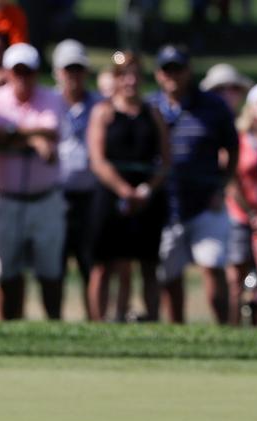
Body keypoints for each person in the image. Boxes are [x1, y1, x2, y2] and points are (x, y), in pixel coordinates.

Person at [0, 43, 67, 320]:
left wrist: (13, 134)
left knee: (50, 273)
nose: (23, 78)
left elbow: (51, 133)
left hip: (45, 198)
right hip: (5, 198)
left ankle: (54, 328)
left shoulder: (52, 98)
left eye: (28, 72)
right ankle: (9, 331)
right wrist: (33, 138)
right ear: (7, 73)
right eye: (17, 72)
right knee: (7, 274)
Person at [151, 45, 238, 324]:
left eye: (178, 69)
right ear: (158, 74)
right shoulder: (150, 105)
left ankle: (224, 330)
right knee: (170, 275)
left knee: (212, 265)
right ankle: (178, 332)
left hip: (206, 203)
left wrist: (220, 187)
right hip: (165, 206)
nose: (173, 76)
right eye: (167, 70)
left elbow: (232, 149)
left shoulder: (213, 106)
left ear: (189, 71)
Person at [86, 51, 170, 322]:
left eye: (135, 75)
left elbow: (165, 161)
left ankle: (152, 319)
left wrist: (147, 189)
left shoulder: (152, 113)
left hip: (146, 198)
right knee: (103, 264)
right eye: (124, 75)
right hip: (111, 196)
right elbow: (98, 160)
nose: (130, 81)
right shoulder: (104, 112)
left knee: (148, 264)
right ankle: (99, 323)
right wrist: (124, 190)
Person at [52, 39, 101, 318]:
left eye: (78, 69)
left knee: (90, 263)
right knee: (54, 265)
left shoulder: (100, 104)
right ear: (57, 72)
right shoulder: (47, 102)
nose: (73, 75)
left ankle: (95, 321)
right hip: (56, 195)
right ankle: (55, 324)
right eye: (67, 69)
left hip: (90, 195)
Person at [224, 81, 257, 326]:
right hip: (240, 215)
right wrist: (251, 212)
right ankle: (234, 329)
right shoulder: (240, 139)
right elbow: (231, 180)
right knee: (237, 278)